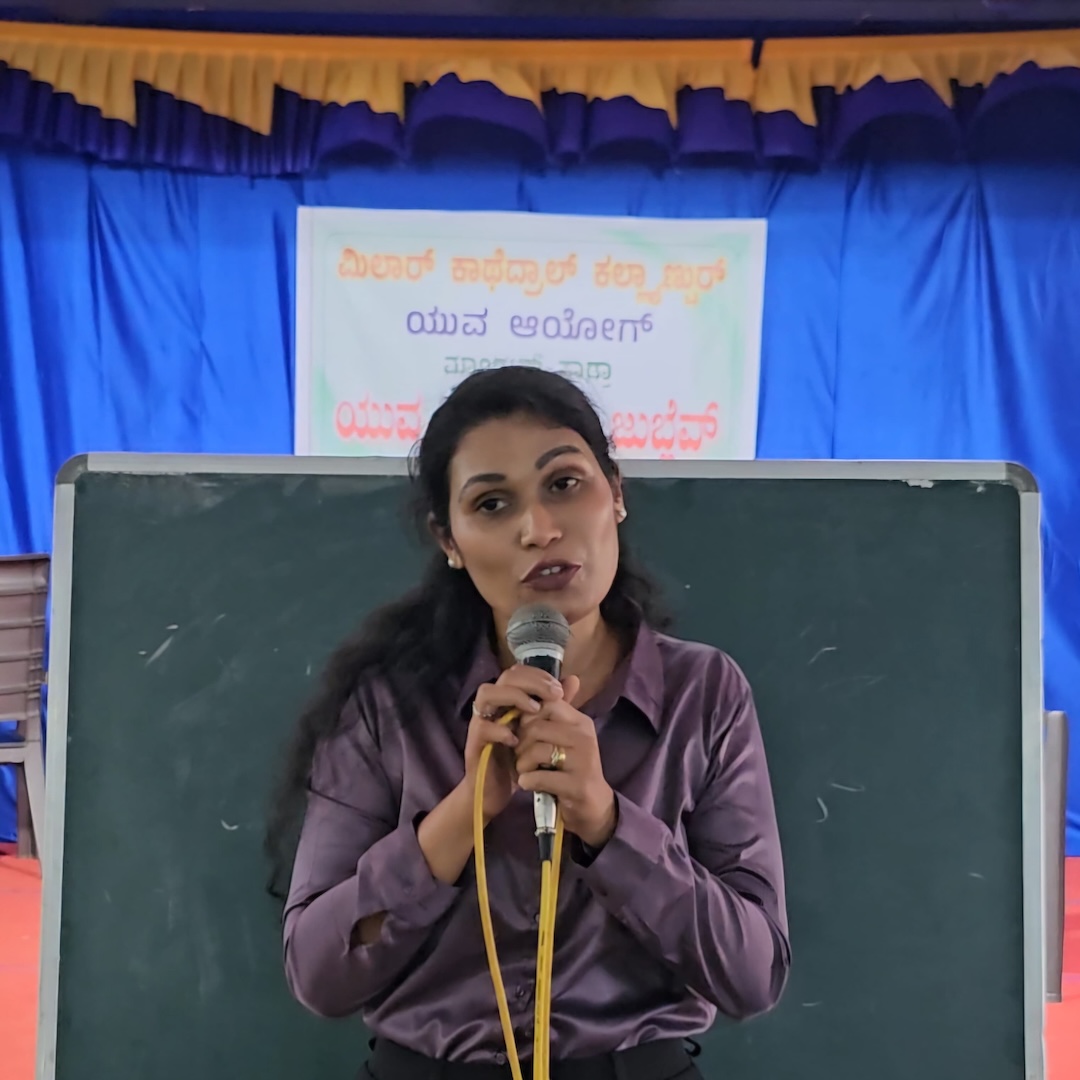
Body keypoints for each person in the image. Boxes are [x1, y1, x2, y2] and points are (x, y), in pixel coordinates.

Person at [266, 366, 790, 1080]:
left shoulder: (704, 692)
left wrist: (606, 821)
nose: (538, 529)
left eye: (565, 484)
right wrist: (465, 810)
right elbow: (318, 975)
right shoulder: (387, 703)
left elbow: (753, 975)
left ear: (617, 494)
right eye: (491, 504)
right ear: (449, 540)